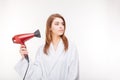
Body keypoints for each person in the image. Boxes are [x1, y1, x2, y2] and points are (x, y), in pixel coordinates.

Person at [15, 13, 79, 80]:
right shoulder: (41, 50)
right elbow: (37, 75)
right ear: (50, 28)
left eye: (62, 24)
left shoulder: (71, 47)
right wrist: (25, 57)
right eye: (57, 24)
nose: (61, 26)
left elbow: (73, 73)